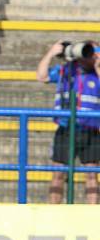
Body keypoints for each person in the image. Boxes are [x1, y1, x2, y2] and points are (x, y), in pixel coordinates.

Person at [36, 40, 100, 204]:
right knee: (58, 174)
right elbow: (41, 76)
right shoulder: (66, 70)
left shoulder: (96, 73)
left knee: (92, 175)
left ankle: (92, 214)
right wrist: (51, 53)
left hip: (90, 130)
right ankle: (53, 212)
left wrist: (98, 67)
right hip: (66, 129)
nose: (88, 56)